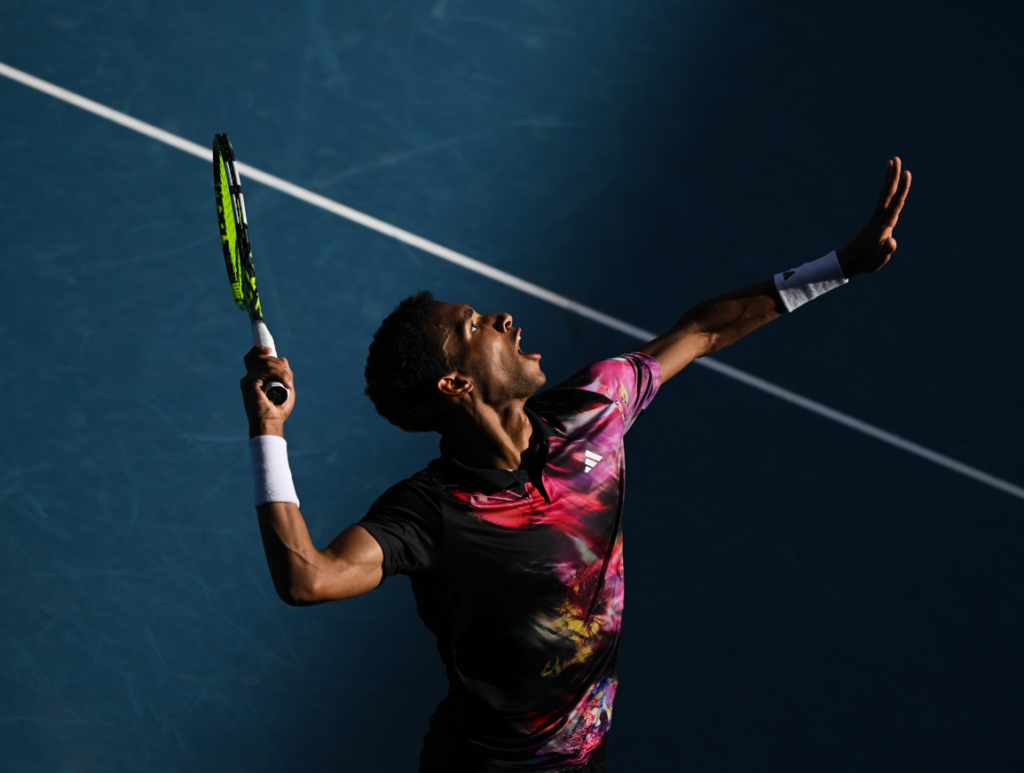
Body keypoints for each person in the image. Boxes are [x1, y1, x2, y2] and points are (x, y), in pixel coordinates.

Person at [240, 158, 911, 772]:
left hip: (586, 756)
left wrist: (840, 264)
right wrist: (269, 432)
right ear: (455, 386)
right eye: (475, 326)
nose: (502, 317)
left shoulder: (595, 406)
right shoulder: (431, 511)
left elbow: (700, 330)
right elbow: (308, 577)